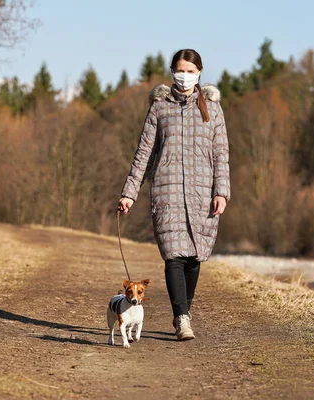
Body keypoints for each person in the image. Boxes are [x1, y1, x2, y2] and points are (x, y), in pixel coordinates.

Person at [117, 49, 231, 341]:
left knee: (194, 258)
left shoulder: (213, 109)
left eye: (191, 71)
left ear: (200, 73)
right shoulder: (159, 107)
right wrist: (130, 192)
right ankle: (182, 318)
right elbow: (144, 152)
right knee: (173, 257)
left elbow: (221, 154)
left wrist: (222, 192)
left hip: (203, 194)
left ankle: (184, 312)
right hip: (167, 193)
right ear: (172, 72)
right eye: (180, 70)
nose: (185, 76)